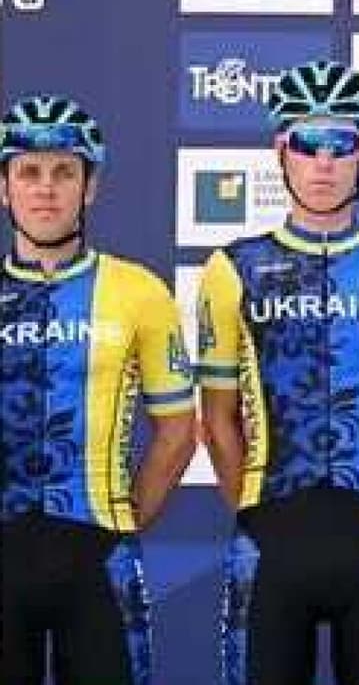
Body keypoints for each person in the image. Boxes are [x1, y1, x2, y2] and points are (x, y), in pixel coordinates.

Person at [197, 60, 359, 685]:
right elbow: (217, 419)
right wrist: (254, 510)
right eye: (306, 143)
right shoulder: (232, 268)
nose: (323, 163)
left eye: (341, 144)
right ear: (280, 152)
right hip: (270, 535)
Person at [0, 94, 197, 684]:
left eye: (64, 172)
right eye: (28, 173)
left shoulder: (139, 291)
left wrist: (123, 524)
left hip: (97, 556)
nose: (46, 189)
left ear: (89, 187)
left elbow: (178, 431)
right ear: (5, 188)